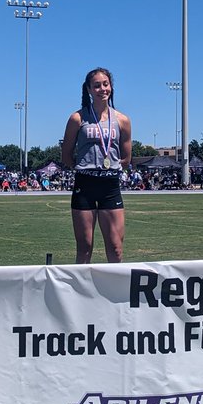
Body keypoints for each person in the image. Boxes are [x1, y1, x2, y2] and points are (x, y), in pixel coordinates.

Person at [61, 67, 132, 263]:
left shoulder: (123, 120)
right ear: (89, 90)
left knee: (116, 248)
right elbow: (66, 155)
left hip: (110, 186)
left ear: (111, 87)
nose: (102, 89)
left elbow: (126, 157)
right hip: (85, 185)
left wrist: (111, 168)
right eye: (97, 85)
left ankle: (117, 291)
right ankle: (80, 292)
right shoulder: (77, 118)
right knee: (84, 248)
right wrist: (86, 166)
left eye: (106, 84)